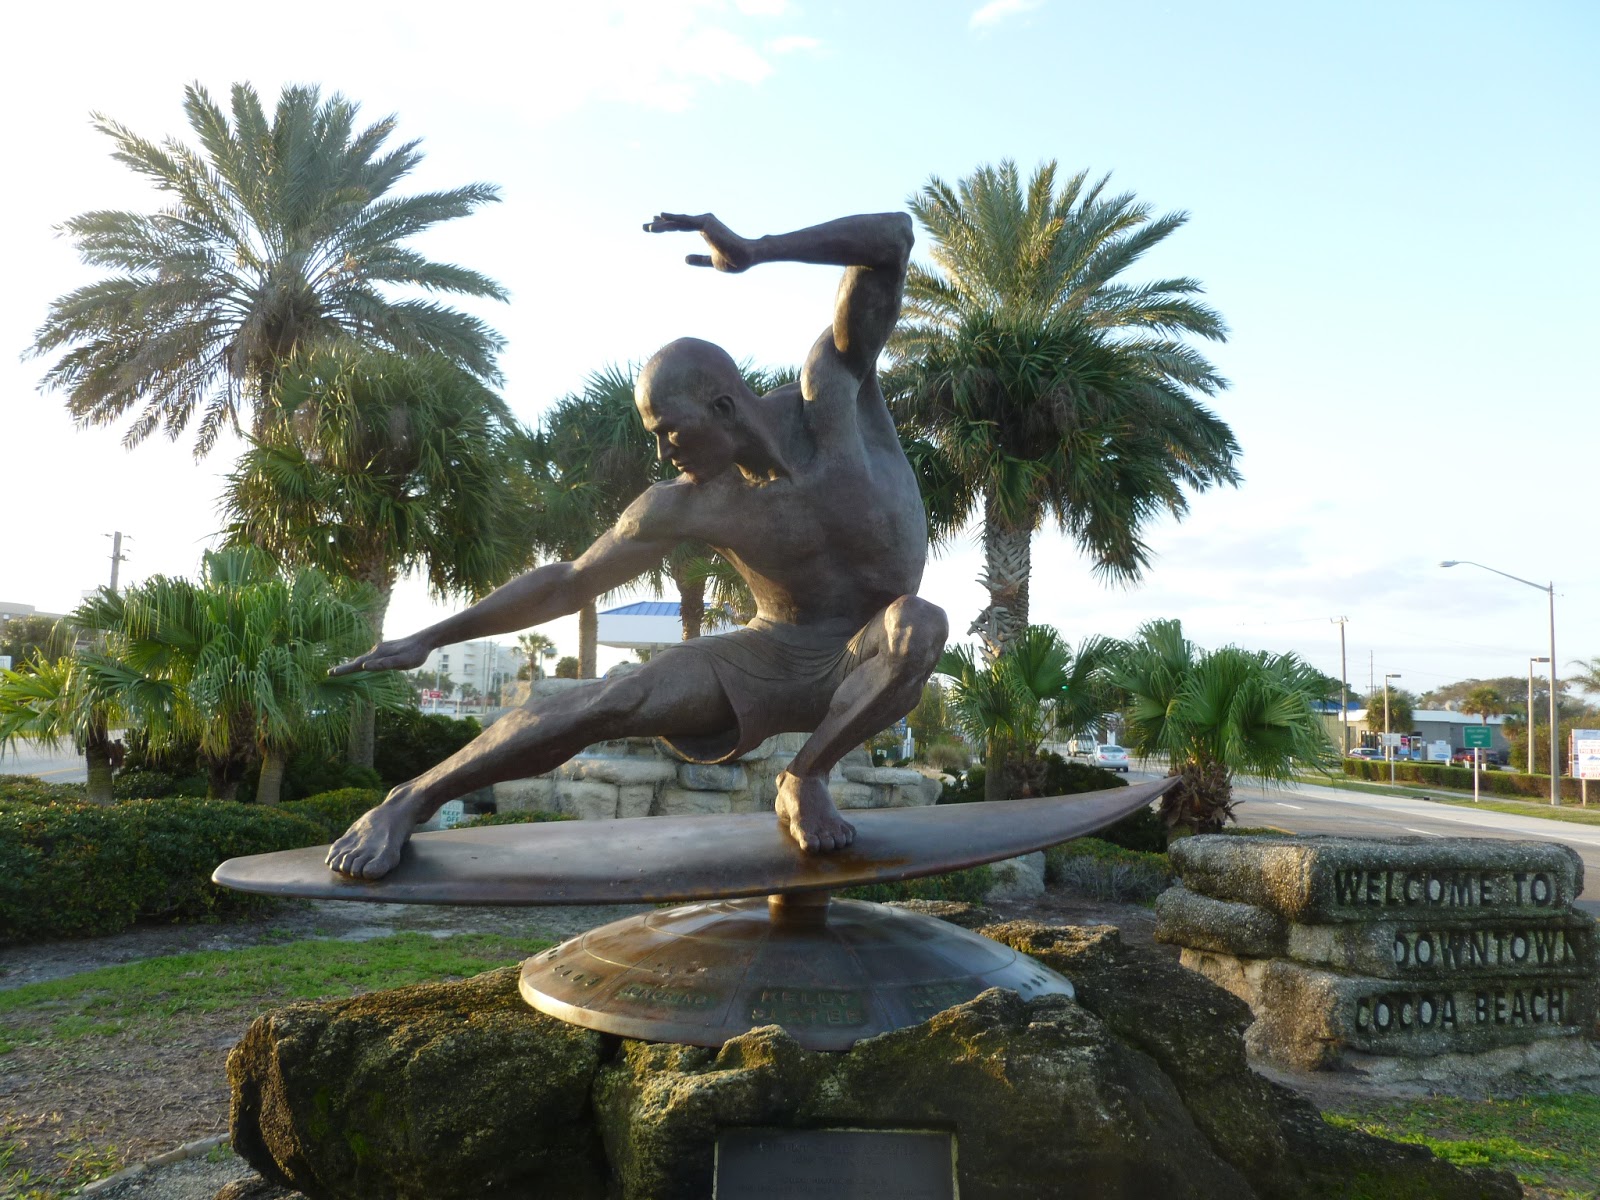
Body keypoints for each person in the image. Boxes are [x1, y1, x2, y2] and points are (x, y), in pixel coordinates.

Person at [325, 210, 948, 879]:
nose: (662, 451)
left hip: (872, 652)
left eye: (670, 431)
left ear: (724, 407)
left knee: (918, 623)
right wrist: (432, 638)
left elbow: (893, 240)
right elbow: (568, 582)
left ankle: (804, 779)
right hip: (769, 656)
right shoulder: (682, 503)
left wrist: (758, 250)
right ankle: (406, 802)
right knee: (608, 701)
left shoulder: (832, 392)